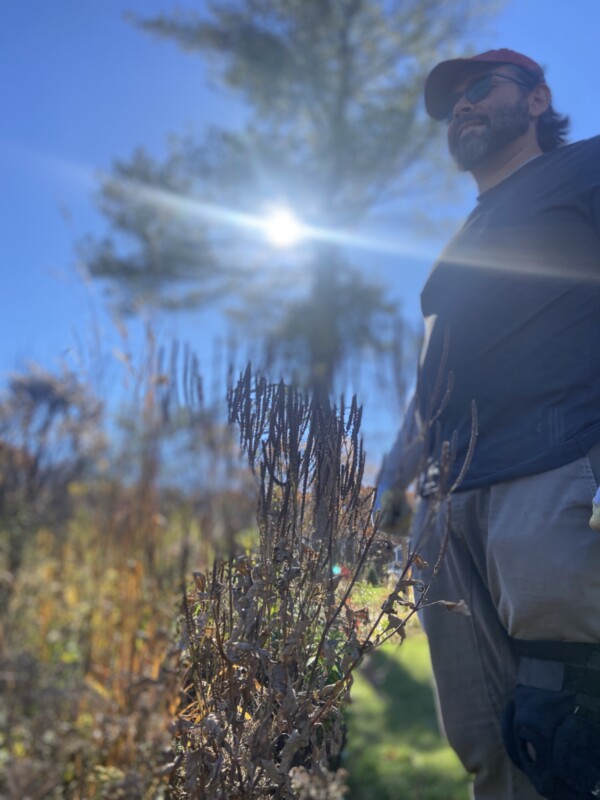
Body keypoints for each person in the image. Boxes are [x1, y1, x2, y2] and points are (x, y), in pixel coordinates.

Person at [378, 49, 600, 799]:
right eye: (452, 104)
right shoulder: (465, 236)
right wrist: (396, 468)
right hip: (446, 508)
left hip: (553, 475)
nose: (463, 107)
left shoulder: (586, 170)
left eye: (480, 89)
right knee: (488, 745)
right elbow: (442, 364)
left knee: (569, 730)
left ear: (537, 100)